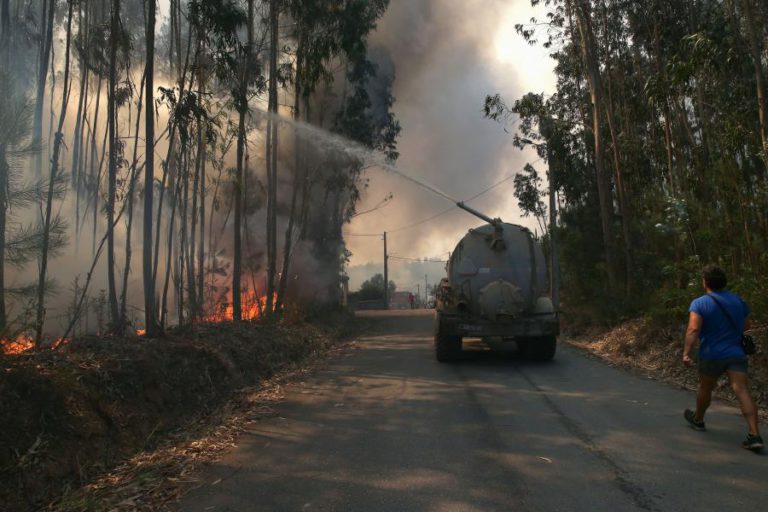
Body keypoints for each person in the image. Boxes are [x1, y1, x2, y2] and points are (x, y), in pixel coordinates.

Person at [682, 264, 763, 451]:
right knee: (742, 390)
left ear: (705, 282)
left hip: (712, 354)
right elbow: (746, 326)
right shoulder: (738, 301)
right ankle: (754, 434)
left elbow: (694, 329)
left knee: (706, 387)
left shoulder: (700, 303)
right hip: (736, 353)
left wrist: (686, 352)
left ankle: (699, 420)